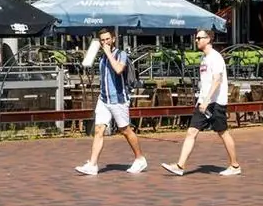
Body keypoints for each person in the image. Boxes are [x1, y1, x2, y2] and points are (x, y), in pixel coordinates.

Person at [164, 29, 241, 176]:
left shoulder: (215, 58)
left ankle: (235, 165)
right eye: (196, 38)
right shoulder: (204, 59)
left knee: (223, 133)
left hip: (215, 103)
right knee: (191, 132)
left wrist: (206, 100)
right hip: (204, 103)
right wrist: (201, 101)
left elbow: (217, 80)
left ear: (208, 39)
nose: (196, 40)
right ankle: (180, 166)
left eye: (199, 38)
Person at [76, 27, 147, 176]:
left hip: (118, 99)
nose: (105, 42)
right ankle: (93, 164)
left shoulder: (120, 54)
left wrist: (108, 53)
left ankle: (140, 158)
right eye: (102, 40)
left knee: (125, 130)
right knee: (99, 129)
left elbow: (119, 69)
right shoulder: (101, 58)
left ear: (113, 39)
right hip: (104, 98)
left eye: (107, 39)